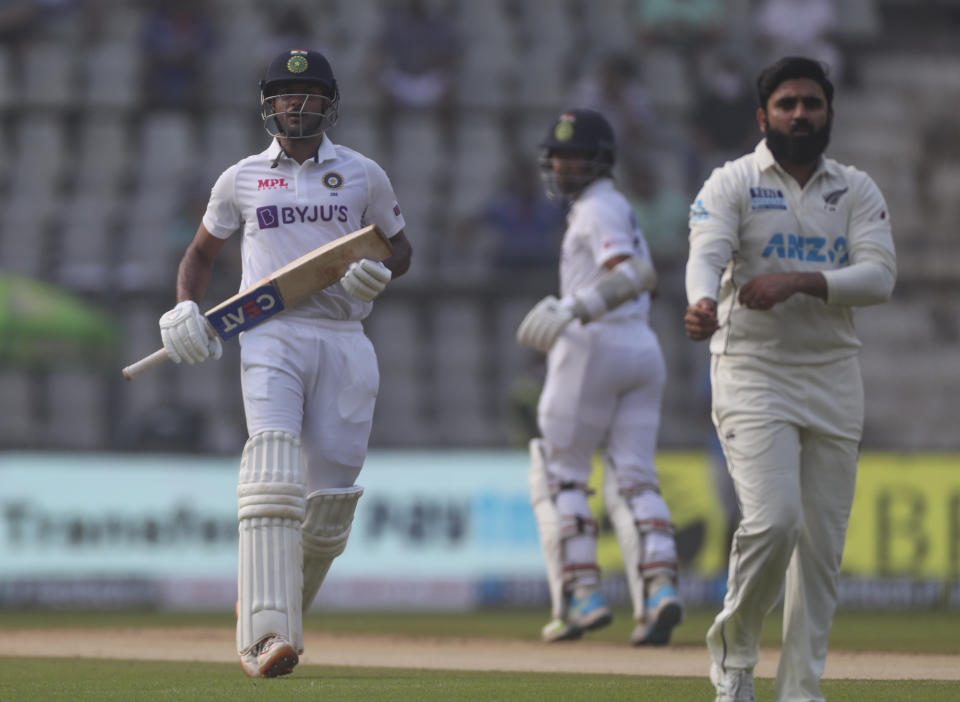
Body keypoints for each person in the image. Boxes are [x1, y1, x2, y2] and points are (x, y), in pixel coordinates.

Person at [156, 48, 412, 678]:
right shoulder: (241, 176)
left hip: (345, 338)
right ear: (267, 104)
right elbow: (198, 253)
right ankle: (265, 636)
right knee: (271, 466)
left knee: (326, 509)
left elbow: (401, 249)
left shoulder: (362, 174)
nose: (296, 105)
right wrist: (187, 306)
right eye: (284, 95)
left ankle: (270, 610)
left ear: (330, 104)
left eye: (309, 95)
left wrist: (378, 273)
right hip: (268, 330)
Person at [683, 57, 896, 702]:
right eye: (787, 104)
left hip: (834, 372)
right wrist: (700, 302)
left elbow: (879, 278)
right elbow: (707, 254)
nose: (799, 114)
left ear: (829, 114)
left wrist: (799, 281)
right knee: (774, 522)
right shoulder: (733, 182)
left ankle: (801, 688)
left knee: (822, 549)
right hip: (752, 369)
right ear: (763, 117)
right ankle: (736, 662)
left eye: (811, 103)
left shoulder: (856, 190)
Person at [516, 108, 683, 646]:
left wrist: (575, 309)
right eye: (558, 156)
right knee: (634, 476)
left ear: (600, 160)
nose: (563, 165)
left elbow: (637, 275)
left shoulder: (596, 207)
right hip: (642, 347)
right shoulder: (617, 208)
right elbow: (645, 281)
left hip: (594, 346)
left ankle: (582, 597)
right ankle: (659, 590)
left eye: (574, 156)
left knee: (560, 472)